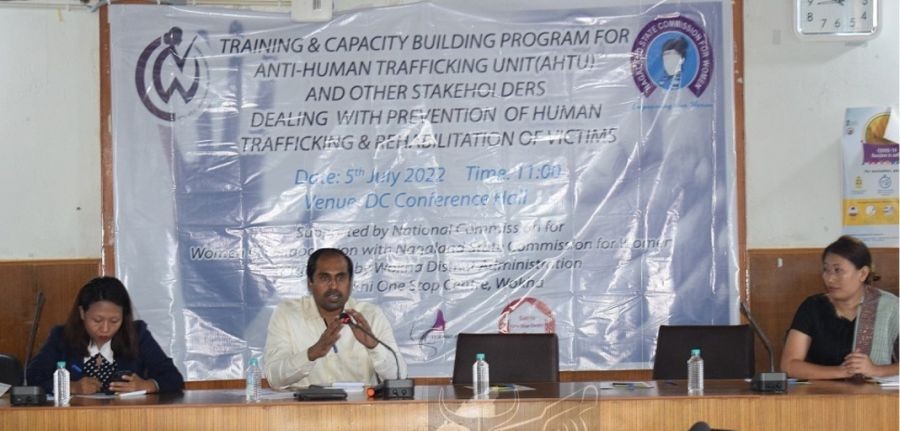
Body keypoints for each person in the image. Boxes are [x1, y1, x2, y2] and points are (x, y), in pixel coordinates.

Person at [264, 248, 406, 389]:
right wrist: (311, 353)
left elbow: (399, 377)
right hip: (303, 408)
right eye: (325, 278)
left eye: (340, 278)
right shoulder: (287, 314)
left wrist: (374, 346)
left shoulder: (370, 315)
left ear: (350, 282)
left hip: (359, 408)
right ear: (310, 283)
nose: (333, 286)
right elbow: (274, 378)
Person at [27, 276, 184, 395]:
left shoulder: (137, 335)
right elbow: (34, 376)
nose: (105, 328)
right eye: (97, 320)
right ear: (82, 313)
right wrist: (72, 387)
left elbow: (173, 377)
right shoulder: (61, 337)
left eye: (114, 320)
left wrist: (147, 385)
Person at [781, 235, 899, 379]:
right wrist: (843, 371)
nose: (829, 278)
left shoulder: (890, 307)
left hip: (876, 398)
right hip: (821, 396)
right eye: (826, 270)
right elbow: (789, 365)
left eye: (838, 270)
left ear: (862, 273)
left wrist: (875, 370)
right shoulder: (813, 307)